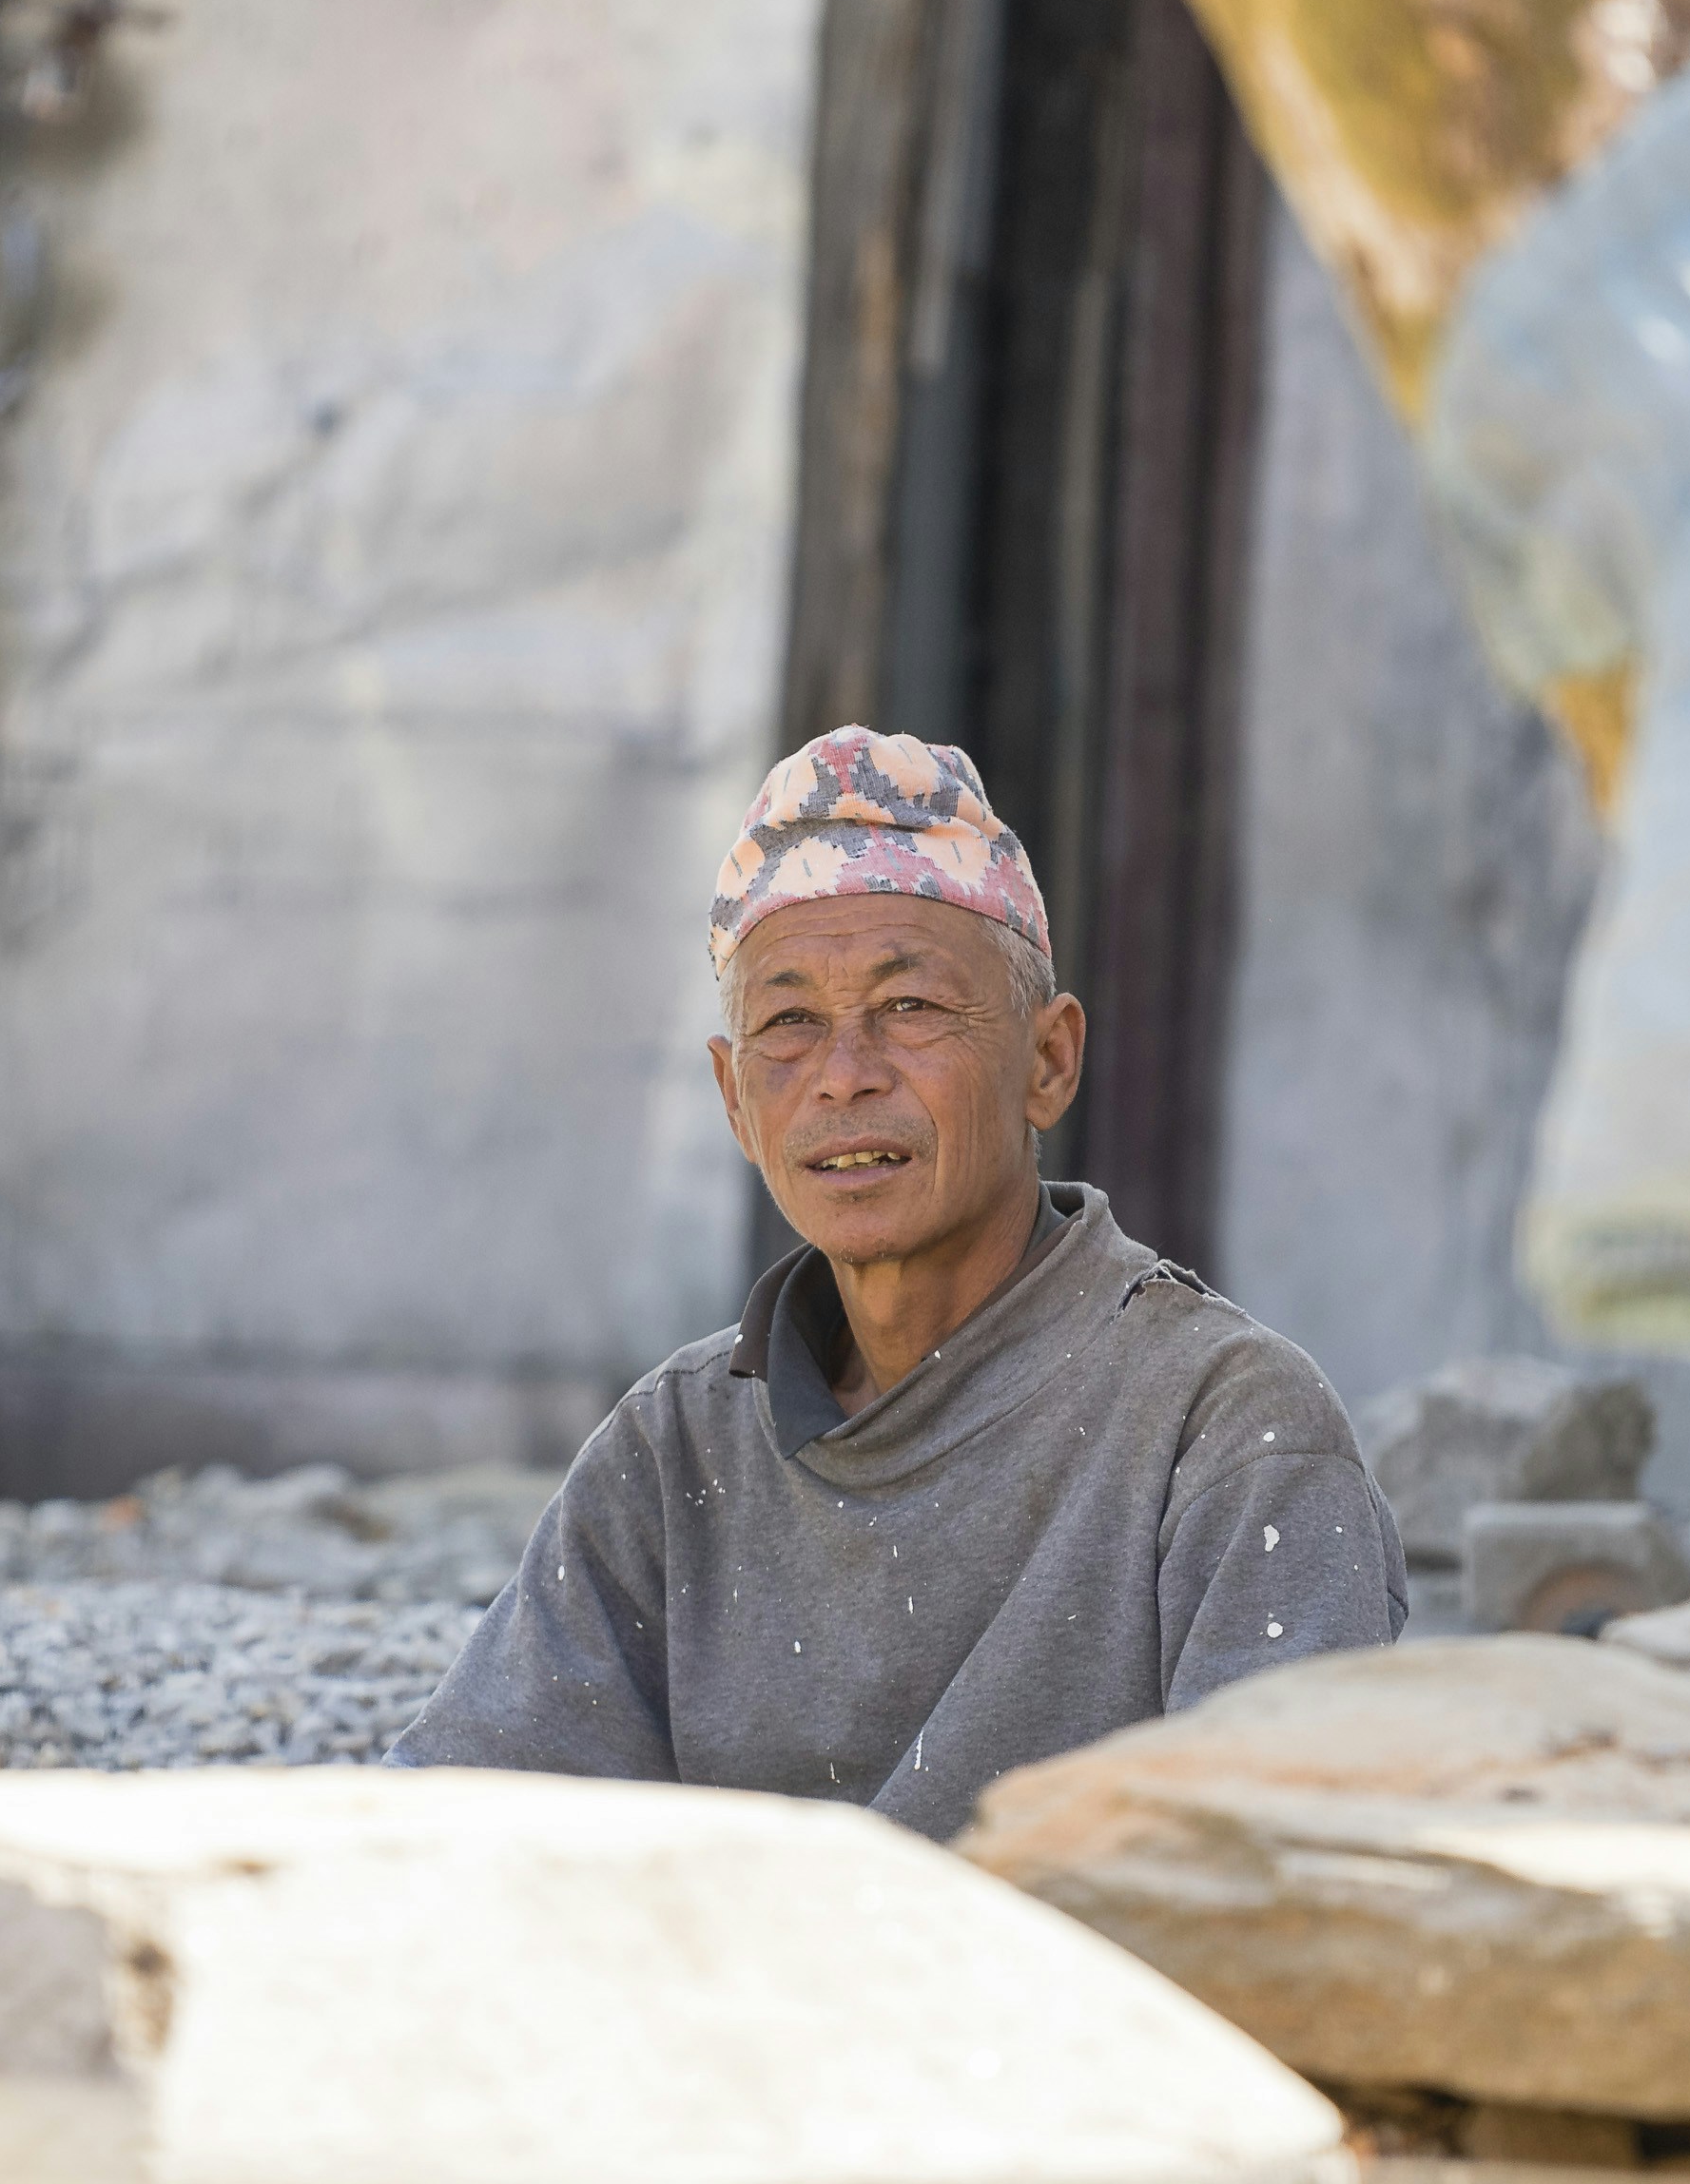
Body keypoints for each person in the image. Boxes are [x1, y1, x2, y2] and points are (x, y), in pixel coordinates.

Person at [390, 726, 1404, 1836]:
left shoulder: (1224, 1427)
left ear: (1048, 1061)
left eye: (910, 1008)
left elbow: (1277, 1898)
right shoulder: (677, 1449)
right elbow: (453, 1828)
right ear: (734, 1102)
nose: (844, 1076)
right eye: (788, 1024)